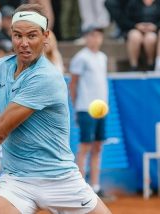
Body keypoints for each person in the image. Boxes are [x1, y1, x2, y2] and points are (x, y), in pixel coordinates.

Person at [0, 3, 111, 214]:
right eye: (17, 36)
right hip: (17, 180)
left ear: (45, 36)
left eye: (31, 36)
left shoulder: (46, 77)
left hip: (61, 180)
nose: (23, 43)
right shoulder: (0, 68)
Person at [69, 27, 110, 199]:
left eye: (98, 35)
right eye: (92, 35)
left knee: (98, 146)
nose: (96, 39)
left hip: (102, 110)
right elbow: (73, 84)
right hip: (85, 108)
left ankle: (95, 185)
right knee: (85, 146)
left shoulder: (103, 57)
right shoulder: (80, 57)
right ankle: (80, 187)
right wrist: (77, 106)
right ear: (86, 38)